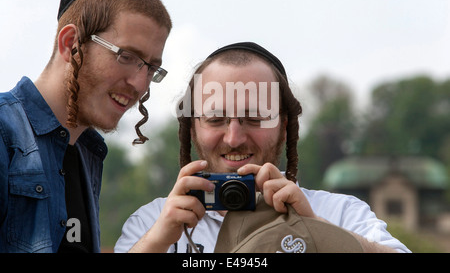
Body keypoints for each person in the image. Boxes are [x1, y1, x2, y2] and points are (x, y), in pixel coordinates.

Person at [114, 42, 410, 253]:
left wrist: (316, 229)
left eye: (254, 118)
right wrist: (156, 244)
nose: (233, 137)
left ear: (283, 126)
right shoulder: (151, 223)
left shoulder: (340, 214)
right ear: (193, 128)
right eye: (216, 119)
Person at [0, 0, 171, 253]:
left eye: (151, 67)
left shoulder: (86, 152)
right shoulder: (5, 133)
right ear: (71, 44)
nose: (140, 83)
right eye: (126, 56)